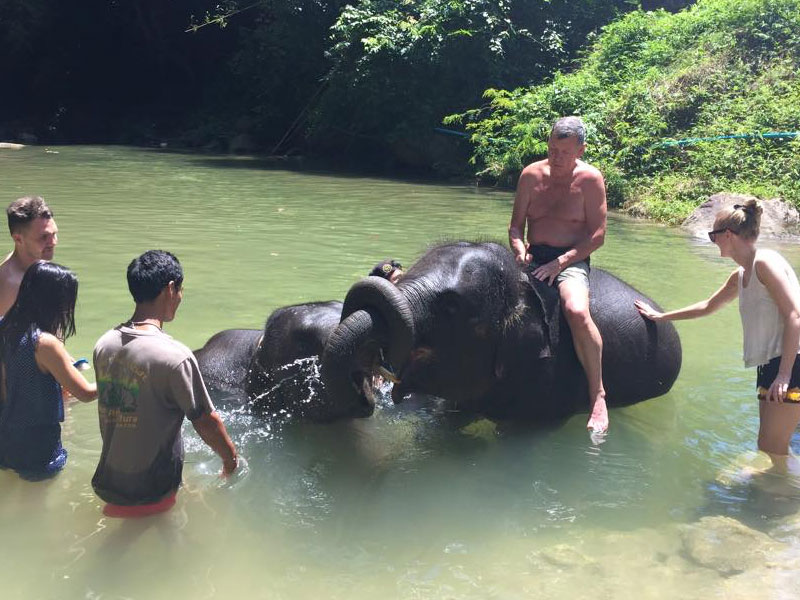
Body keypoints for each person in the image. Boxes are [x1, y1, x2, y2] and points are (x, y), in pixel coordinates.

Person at [636, 200, 800, 477]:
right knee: (771, 445)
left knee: (772, 447)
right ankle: (783, 497)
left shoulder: (765, 262)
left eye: (713, 235)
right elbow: (707, 306)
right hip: (772, 365)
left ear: (728, 235)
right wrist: (660, 317)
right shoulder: (742, 274)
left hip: (790, 363)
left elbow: (795, 315)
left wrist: (784, 375)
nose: (712, 241)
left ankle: (784, 504)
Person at [92, 250, 238, 517]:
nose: (180, 297)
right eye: (181, 290)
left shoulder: (104, 344)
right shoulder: (175, 357)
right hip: (152, 488)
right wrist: (231, 461)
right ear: (170, 289)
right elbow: (206, 422)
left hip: (108, 480)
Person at [508, 116, 609, 433]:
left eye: (564, 152)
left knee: (576, 311)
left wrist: (561, 262)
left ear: (581, 150)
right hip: (532, 255)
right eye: (552, 149)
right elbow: (515, 227)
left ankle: (598, 394)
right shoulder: (530, 175)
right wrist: (519, 250)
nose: (556, 158)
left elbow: (598, 236)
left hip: (571, 260)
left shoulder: (591, 180)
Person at [0, 261, 97, 477]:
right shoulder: (44, 344)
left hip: (5, 436)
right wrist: (118, 375)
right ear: (55, 302)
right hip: (38, 444)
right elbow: (86, 393)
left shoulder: (4, 327)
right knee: (38, 501)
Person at [0, 196, 59, 316]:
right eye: (44, 237)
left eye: (54, 234)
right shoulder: (11, 286)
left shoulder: (34, 259)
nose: (53, 242)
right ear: (18, 239)